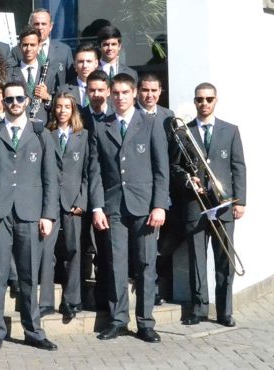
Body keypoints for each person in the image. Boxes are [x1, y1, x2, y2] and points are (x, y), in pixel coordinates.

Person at [0, 81, 59, 351]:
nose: (13, 104)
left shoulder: (39, 133)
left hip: (30, 211)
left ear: (26, 100)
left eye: (18, 98)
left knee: (28, 275)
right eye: (8, 99)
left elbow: (50, 179)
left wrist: (48, 215)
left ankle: (33, 330)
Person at [88, 73, 168, 343]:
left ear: (134, 94)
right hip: (114, 207)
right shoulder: (102, 126)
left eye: (125, 92)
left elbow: (161, 169)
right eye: (116, 93)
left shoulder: (150, 124)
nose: (120, 97)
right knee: (115, 265)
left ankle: (145, 322)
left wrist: (159, 205)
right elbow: (95, 171)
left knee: (146, 264)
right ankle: (118, 319)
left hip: (144, 206)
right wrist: (97, 207)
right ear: (110, 94)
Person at [173, 83, 246, 327]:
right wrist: (187, 179)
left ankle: (225, 311)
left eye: (209, 99)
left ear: (216, 100)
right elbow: (176, 167)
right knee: (196, 259)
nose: (204, 104)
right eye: (200, 99)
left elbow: (239, 168)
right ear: (194, 102)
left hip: (224, 204)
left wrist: (241, 202)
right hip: (195, 204)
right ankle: (198, 309)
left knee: (225, 259)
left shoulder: (230, 130)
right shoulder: (185, 132)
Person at [41, 92, 91, 322]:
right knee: (47, 251)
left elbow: (88, 173)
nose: (62, 111)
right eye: (58, 106)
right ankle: (46, 302)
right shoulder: (45, 135)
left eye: (66, 107)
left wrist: (82, 201)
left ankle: (72, 300)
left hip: (73, 202)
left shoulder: (83, 136)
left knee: (73, 251)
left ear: (73, 111)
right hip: (50, 201)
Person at [138, 73, 176, 306]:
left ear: (160, 91)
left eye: (154, 90)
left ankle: (158, 283)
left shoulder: (168, 116)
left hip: (165, 187)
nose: (150, 95)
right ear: (138, 92)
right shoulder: (132, 116)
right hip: (141, 187)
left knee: (169, 237)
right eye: (145, 90)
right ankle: (150, 289)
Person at [7, 27, 65, 122]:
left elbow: (59, 104)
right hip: (18, 125)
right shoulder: (9, 74)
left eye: (33, 45)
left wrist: (47, 97)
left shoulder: (51, 73)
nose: (29, 49)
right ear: (19, 47)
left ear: (39, 46)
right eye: (25, 45)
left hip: (44, 127)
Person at [9, 9, 73, 70]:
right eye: (36, 24)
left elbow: (70, 79)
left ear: (50, 26)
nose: (40, 27)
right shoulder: (16, 52)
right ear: (30, 26)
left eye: (43, 24)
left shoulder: (64, 50)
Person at [62, 43, 101, 109]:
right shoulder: (63, 90)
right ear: (74, 65)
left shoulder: (105, 89)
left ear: (96, 63)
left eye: (89, 61)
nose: (85, 66)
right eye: (81, 62)